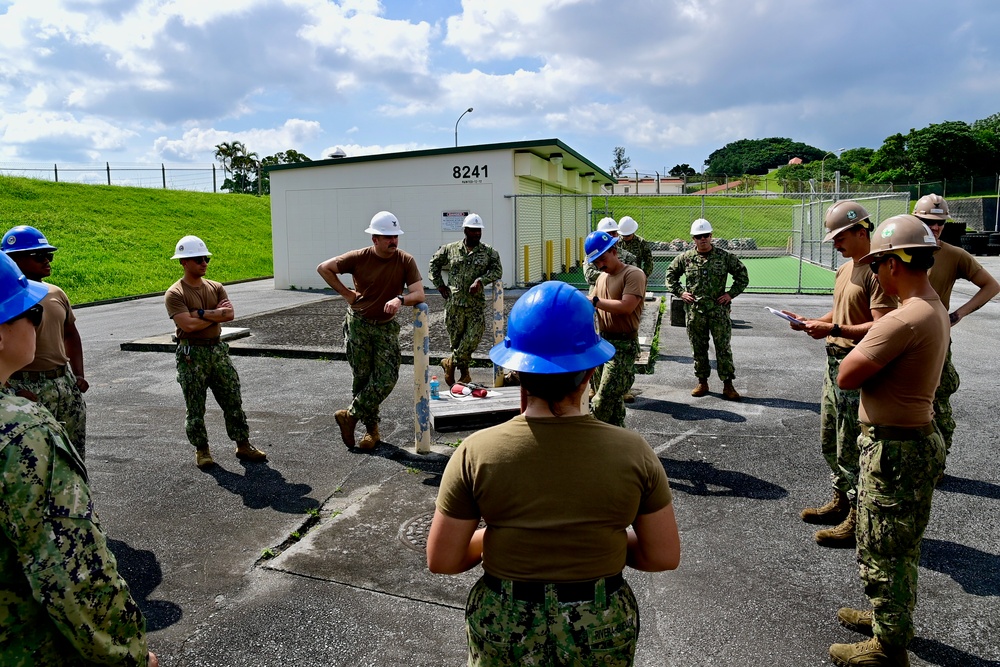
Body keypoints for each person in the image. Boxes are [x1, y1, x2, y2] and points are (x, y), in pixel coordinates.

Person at [427, 280, 680, 666]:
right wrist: (599, 536)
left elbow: (443, 559)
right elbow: (662, 555)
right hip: (600, 623)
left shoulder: (475, 452)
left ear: (516, 368)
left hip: (504, 620)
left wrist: (496, 537)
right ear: (592, 367)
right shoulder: (634, 452)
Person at [0, 252, 159, 666]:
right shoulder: (22, 433)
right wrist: (131, 654)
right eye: (30, 313)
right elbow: (72, 572)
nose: (37, 322)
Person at [830, 214, 949, 667]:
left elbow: (847, 375)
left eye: (879, 264)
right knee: (900, 544)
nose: (875, 273)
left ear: (895, 264)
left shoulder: (904, 319)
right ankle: (889, 620)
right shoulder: (931, 306)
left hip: (894, 449)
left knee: (883, 547)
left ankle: (888, 648)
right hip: (912, 440)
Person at [782, 202, 896, 548]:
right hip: (834, 362)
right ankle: (842, 499)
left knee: (852, 445)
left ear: (863, 231)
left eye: (840, 236)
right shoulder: (846, 269)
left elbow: (882, 326)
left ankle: (858, 518)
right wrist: (813, 321)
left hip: (857, 364)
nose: (835, 243)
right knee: (831, 439)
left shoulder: (878, 272)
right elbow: (842, 310)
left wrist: (834, 327)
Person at [317, 211, 425, 450]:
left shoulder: (405, 260)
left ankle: (350, 416)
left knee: (387, 377)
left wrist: (400, 299)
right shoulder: (358, 257)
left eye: (395, 236)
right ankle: (371, 432)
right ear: (374, 239)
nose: (393, 241)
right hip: (359, 324)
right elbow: (324, 268)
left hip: (386, 327)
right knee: (363, 378)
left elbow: (419, 294)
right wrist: (346, 294)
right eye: (387, 237)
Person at [165, 235, 268, 468]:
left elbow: (229, 315)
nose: (204, 262)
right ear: (183, 262)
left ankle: (243, 444)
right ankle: (202, 450)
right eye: (198, 259)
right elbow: (187, 326)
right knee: (195, 405)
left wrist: (199, 313)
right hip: (192, 354)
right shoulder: (175, 294)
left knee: (232, 398)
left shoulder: (216, 287)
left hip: (218, 351)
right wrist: (214, 316)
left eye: (206, 258)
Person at [911, 194, 999, 454]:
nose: (935, 227)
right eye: (928, 221)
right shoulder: (899, 251)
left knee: (938, 400)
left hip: (936, 339)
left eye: (940, 223)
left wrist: (957, 315)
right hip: (901, 336)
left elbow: (991, 286)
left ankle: (938, 459)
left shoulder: (953, 255)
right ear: (916, 220)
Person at [2, 225, 89, 459]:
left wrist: (78, 374)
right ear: (12, 260)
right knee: (36, 458)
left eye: (48, 255)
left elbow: (70, 333)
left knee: (74, 453)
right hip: (25, 387)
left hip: (63, 383)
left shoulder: (56, 293)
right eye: (38, 256)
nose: (47, 261)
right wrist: (11, 391)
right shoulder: (7, 302)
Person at [665, 218, 749, 400]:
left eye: (706, 235)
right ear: (693, 239)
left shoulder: (725, 257)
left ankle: (728, 385)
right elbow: (670, 275)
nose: (703, 239)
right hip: (696, 312)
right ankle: (702, 382)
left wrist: (730, 295)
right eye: (698, 236)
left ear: (711, 236)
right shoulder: (685, 258)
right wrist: (681, 293)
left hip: (718, 311)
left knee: (723, 348)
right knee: (698, 348)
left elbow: (742, 275)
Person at [428, 213, 503, 386]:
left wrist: (481, 280)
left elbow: (497, 271)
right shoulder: (450, 249)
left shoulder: (489, 252)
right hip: (454, 304)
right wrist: (439, 285)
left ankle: (449, 363)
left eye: (479, 231)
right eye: (473, 230)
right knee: (456, 341)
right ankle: (465, 376)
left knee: (472, 338)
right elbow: (434, 263)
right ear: (465, 230)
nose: (477, 234)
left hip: (475, 305)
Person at [586, 230, 646, 427]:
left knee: (602, 402)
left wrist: (595, 301)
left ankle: (589, 443)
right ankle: (619, 448)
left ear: (614, 250)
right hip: (601, 342)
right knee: (613, 407)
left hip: (622, 346)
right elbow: (592, 307)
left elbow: (626, 306)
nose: (600, 265)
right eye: (596, 262)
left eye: (602, 259)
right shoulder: (602, 278)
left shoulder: (633, 274)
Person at [584, 217, 638, 287]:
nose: (611, 236)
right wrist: (618, 276)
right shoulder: (593, 255)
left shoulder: (629, 257)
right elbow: (589, 276)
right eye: (608, 233)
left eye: (614, 233)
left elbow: (632, 278)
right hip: (597, 294)